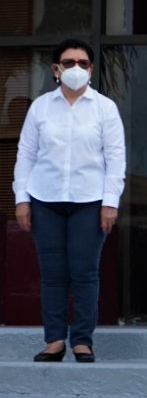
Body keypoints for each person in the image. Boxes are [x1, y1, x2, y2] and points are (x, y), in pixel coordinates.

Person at [13, 38, 125, 364]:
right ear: (56, 69)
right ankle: (54, 341)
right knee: (52, 274)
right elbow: (26, 155)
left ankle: (82, 342)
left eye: (83, 63)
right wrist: (22, 200)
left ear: (91, 69)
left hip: (90, 201)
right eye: (69, 62)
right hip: (45, 198)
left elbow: (116, 159)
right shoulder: (40, 107)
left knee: (85, 272)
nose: (76, 68)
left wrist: (110, 202)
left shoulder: (105, 108)